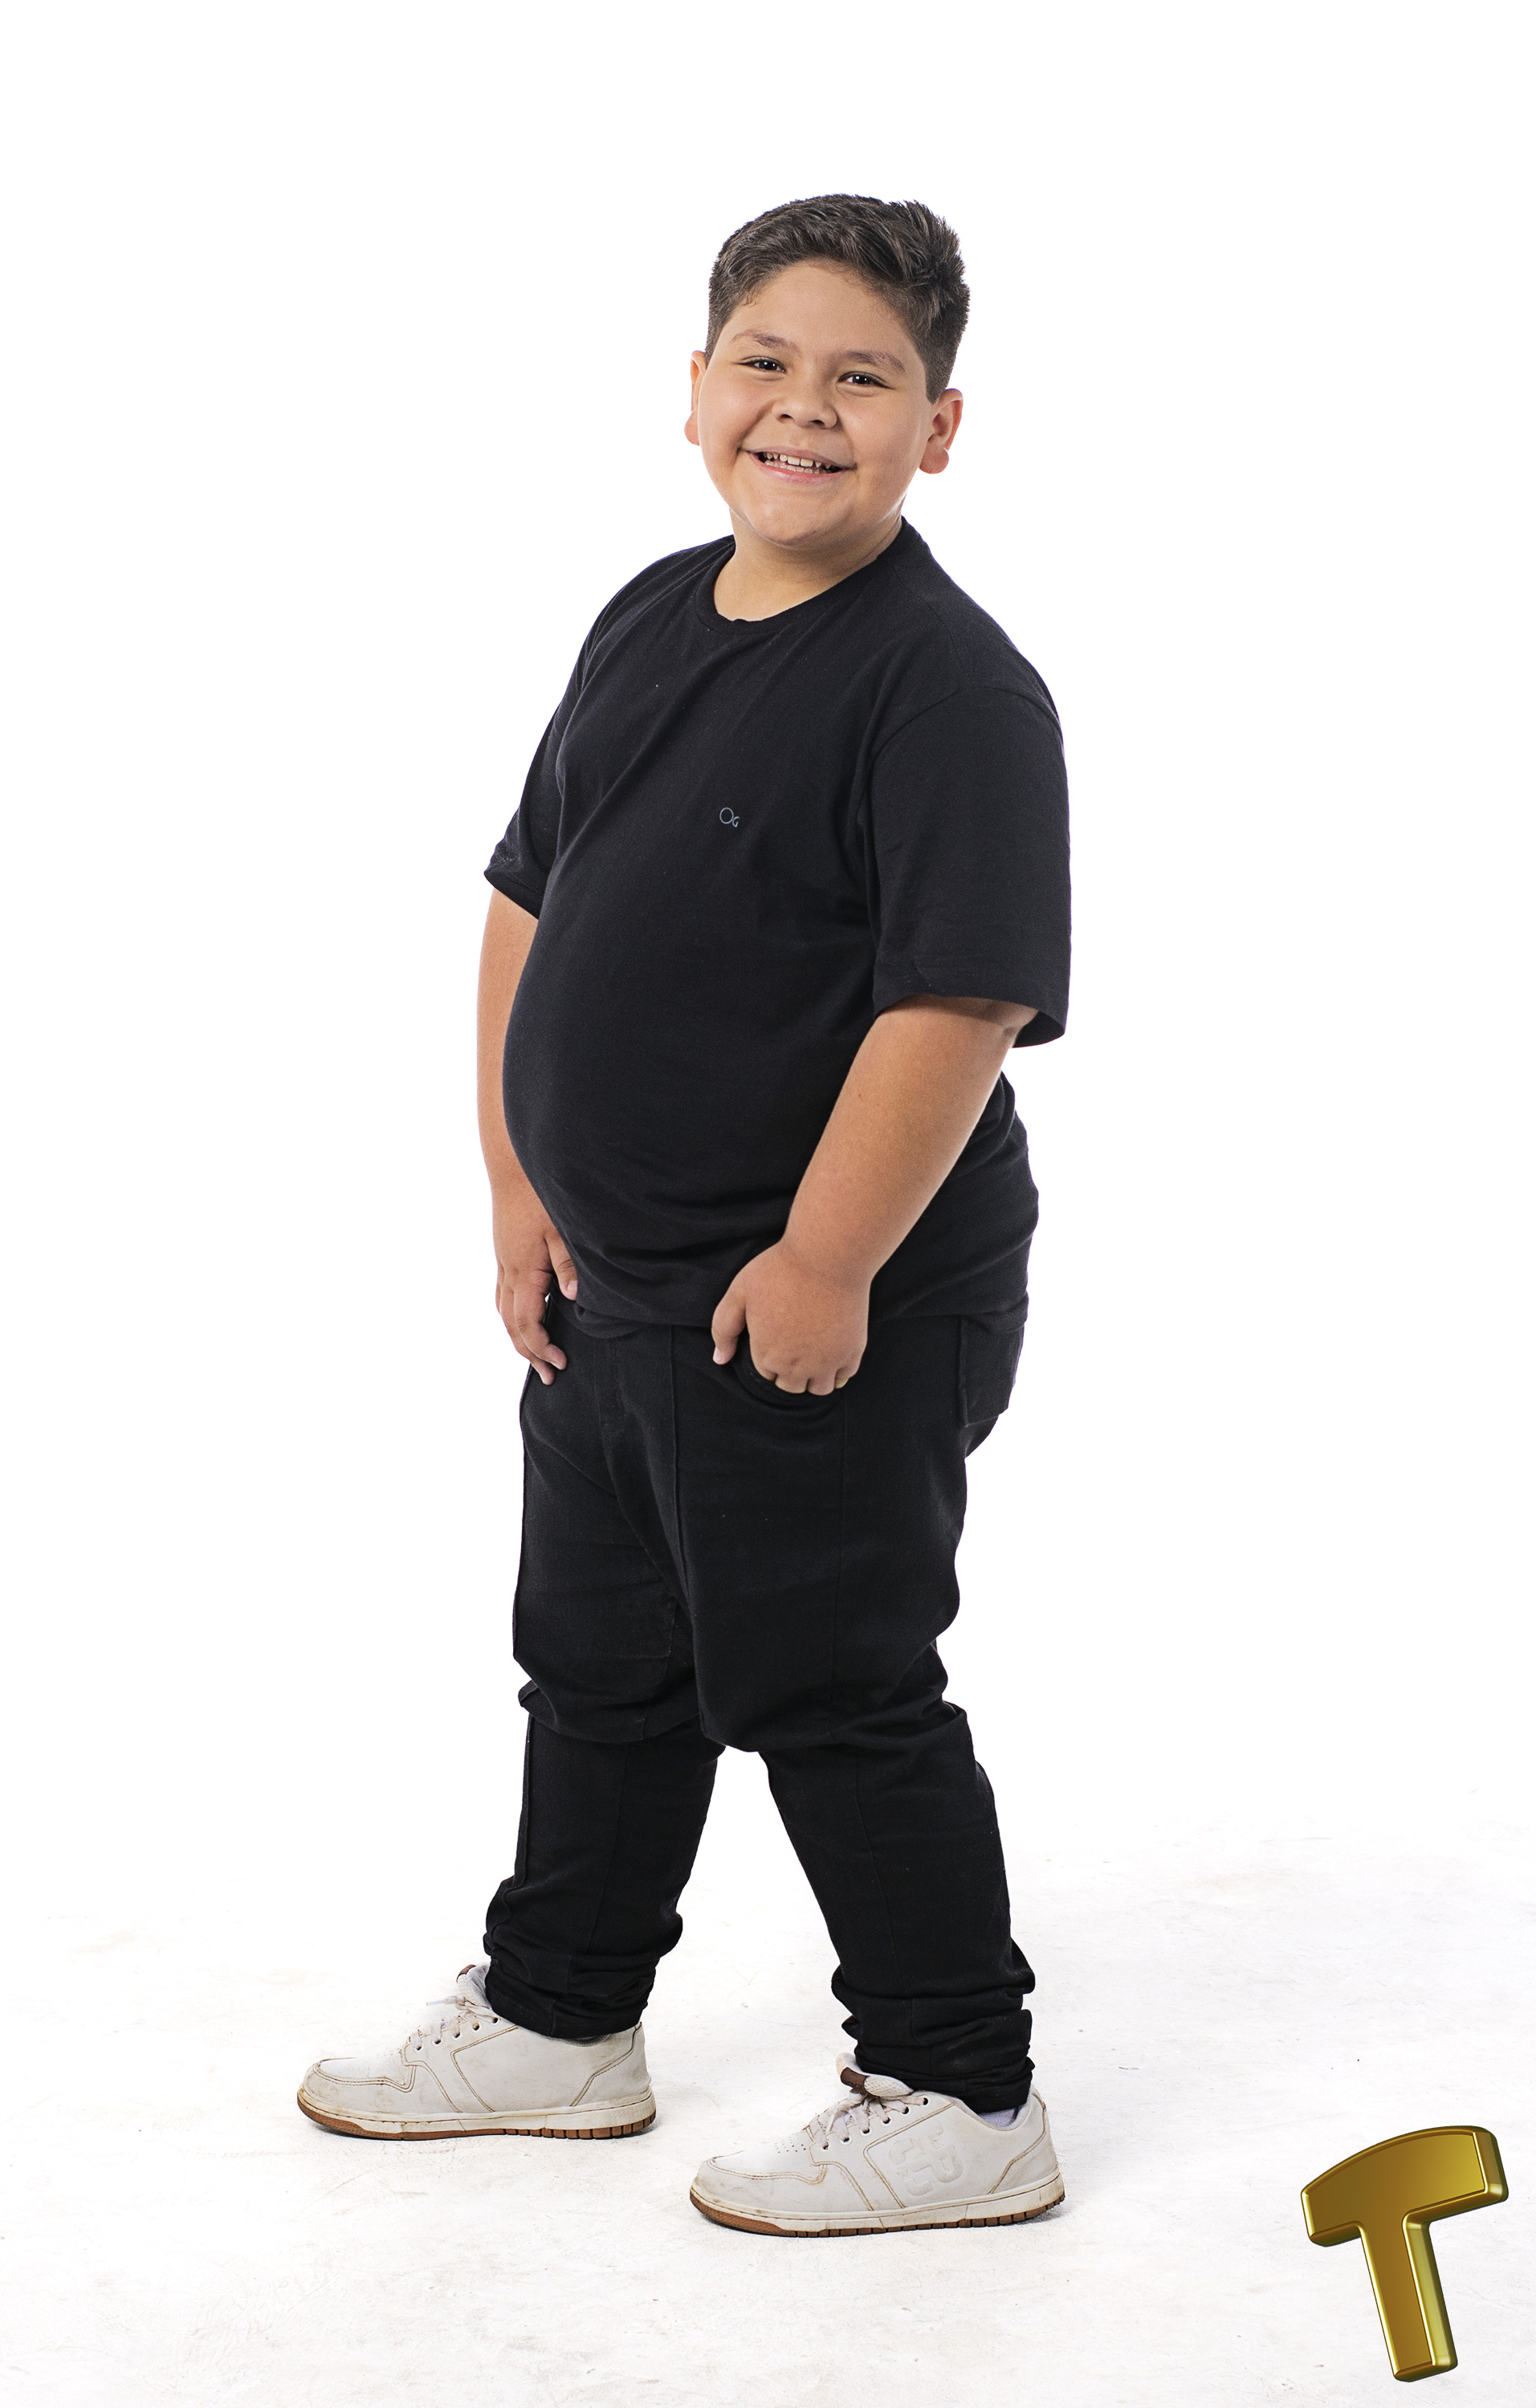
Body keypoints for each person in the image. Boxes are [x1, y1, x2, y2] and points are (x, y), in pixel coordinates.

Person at [299, 194, 1072, 2237]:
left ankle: (960, 2087)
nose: (803, 409)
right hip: (610, 1285)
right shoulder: (652, 613)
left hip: (815, 1302)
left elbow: (957, 1002)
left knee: (828, 1681)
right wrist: (515, 1183)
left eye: (863, 378)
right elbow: (527, 897)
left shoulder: (946, 690)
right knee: (600, 1664)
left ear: (938, 427)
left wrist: (826, 1260)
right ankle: (560, 2017)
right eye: (766, 364)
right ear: (697, 390)